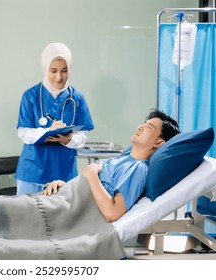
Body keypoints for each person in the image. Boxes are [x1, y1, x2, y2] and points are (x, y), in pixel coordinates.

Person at [42, 108, 180, 222]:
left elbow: (112, 213)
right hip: (60, 198)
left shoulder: (138, 168)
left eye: (149, 127)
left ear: (158, 143)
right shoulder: (121, 159)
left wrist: (91, 173)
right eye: (144, 123)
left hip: (65, 210)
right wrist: (64, 186)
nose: (140, 127)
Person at [15, 42, 94, 195]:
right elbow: (24, 132)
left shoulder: (77, 98)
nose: (59, 77)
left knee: (61, 217)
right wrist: (48, 131)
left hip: (64, 171)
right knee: (27, 215)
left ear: (70, 69)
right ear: (45, 69)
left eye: (64, 71)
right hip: (33, 170)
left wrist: (69, 140)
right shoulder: (30, 96)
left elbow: (84, 134)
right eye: (53, 71)